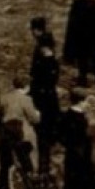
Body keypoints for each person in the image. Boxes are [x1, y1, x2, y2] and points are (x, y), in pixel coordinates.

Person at [0, 75, 41, 189]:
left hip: (5, 138)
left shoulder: (4, 98)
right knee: (27, 163)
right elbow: (35, 119)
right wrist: (38, 114)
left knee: (4, 168)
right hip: (20, 136)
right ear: (27, 87)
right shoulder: (27, 100)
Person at [29, 27, 62, 175]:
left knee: (43, 133)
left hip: (43, 99)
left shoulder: (46, 61)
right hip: (48, 97)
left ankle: (43, 168)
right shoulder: (51, 60)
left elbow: (39, 78)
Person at [59, 90, 92, 189]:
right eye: (87, 101)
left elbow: (61, 137)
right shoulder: (81, 120)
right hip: (81, 162)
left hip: (70, 158)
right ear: (81, 101)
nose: (88, 104)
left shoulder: (65, 116)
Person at [62, 0, 95, 87]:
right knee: (94, 60)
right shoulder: (93, 2)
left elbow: (73, 24)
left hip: (81, 39)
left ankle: (83, 80)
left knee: (82, 61)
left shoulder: (77, 4)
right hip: (92, 37)